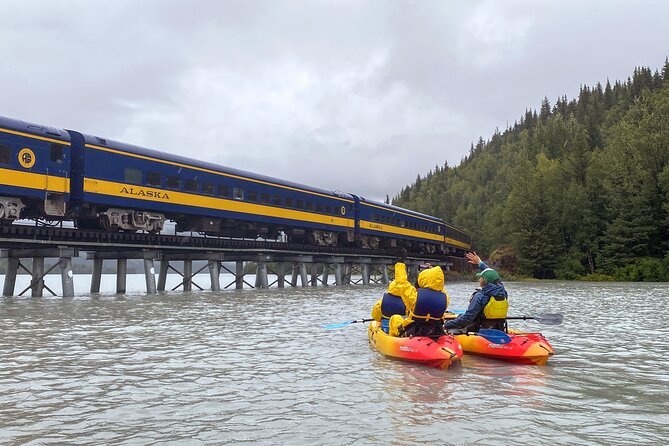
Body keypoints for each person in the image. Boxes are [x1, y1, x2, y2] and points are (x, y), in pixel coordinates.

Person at [444, 252, 508, 333]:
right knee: (461, 316)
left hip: (482, 331)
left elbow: (467, 319)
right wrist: (480, 263)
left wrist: (447, 324)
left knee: (459, 320)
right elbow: (494, 277)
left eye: (480, 278)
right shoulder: (503, 292)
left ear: (484, 281)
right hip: (499, 329)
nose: (479, 280)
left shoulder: (480, 296)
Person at [384, 262, 451, 338]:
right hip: (435, 330)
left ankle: (392, 339)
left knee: (395, 318)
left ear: (422, 280)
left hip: (412, 331)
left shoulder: (414, 297)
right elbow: (439, 286)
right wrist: (434, 273)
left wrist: (400, 265)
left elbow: (401, 283)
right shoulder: (445, 298)